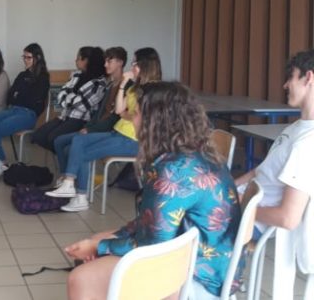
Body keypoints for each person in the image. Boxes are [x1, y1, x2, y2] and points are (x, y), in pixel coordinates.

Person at [65, 81, 241, 300]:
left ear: (157, 122)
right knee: (98, 241)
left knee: (81, 277)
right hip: (210, 264)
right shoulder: (194, 153)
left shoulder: (173, 171)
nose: (131, 118)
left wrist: (100, 247)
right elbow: (151, 222)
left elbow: (152, 244)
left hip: (199, 279)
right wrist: (103, 242)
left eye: (136, 113)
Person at [47, 47, 161, 212]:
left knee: (82, 152)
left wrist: (128, 114)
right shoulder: (133, 87)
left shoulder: (154, 90)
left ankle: (79, 195)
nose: (132, 67)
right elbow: (119, 111)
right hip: (118, 133)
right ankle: (69, 184)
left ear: (146, 65)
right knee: (78, 141)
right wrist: (123, 84)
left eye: (135, 63)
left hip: (133, 140)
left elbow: (138, 116)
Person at [234, 50, 314, 277]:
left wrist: (242, 205)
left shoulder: (308, 143)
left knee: (177, 219)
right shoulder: (295, 128)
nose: (285, 84)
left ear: (309, 78)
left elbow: (288, 218)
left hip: (250, 220)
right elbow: (261, 170)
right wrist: (229, 187)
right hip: (240, 203)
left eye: (291, 77)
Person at [0, 43, 50, 177]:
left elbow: (35, 100)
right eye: (24, 57)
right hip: (13, 109)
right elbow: (10, 94)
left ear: (37, 58)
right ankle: (0, 161)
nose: (25, 60)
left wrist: (19, 94)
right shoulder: (21, 75)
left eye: (28, 57)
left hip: (28, 114)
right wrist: (18, 95)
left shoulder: (43, 78)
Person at [31, 46, 107, 152]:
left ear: (86, 60)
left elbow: (82, 105)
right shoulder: (76, 75)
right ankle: (65, 155)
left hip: (80, 120)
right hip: (65, 116)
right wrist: (73, 98)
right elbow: (60, 95)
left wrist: (68, 97)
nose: (75, 61)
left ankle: (68, 155)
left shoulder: (99, 83)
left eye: (78, 58)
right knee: (37, 136)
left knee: (53, 138)